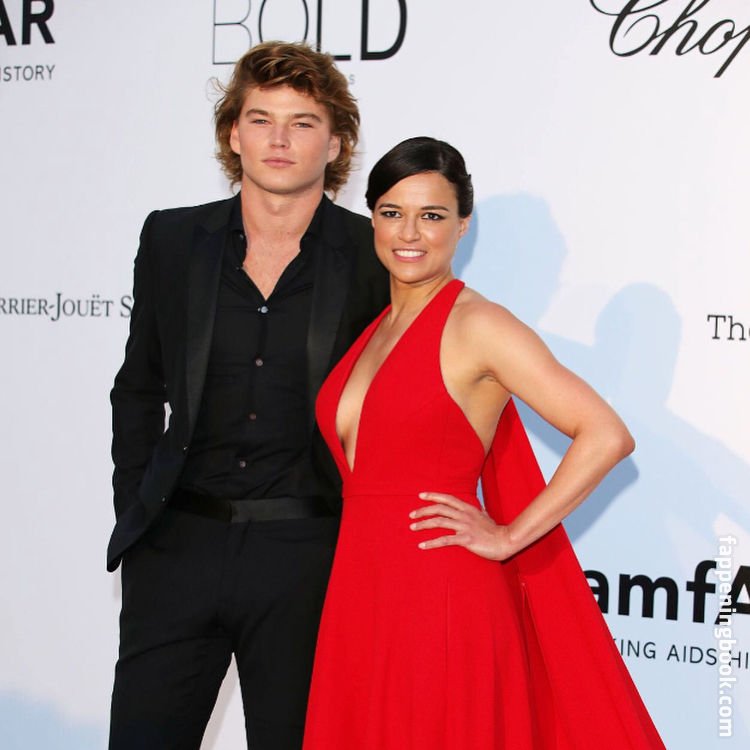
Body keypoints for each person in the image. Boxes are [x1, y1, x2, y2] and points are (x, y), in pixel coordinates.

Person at [302, 137, 665, 748]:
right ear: (373, 220)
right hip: (360, 592)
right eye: (392, 213)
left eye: (432, 215)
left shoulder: (478, 325)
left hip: (438, 599)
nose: (409, 233)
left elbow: (606, 434)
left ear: (463, 225)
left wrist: (509, 535)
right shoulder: (377, 328)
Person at [107, 42, 389, 750]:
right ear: (233, 134)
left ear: (336, 142)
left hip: (309, 557)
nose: (279, 140)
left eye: (302, 122)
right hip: (178, 547)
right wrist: (139, 514)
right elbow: (138, 386)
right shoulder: (173, 238)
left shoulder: (372, 254)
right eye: (261, 120)